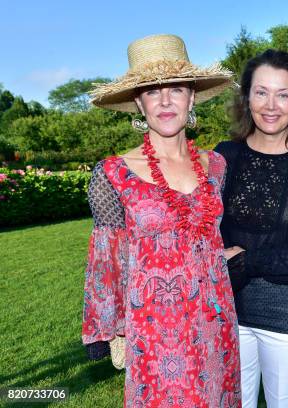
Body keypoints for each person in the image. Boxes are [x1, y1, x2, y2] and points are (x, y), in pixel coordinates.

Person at [83, 34, 240, 407]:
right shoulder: (113, 173)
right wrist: (108, 327)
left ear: (192, 97)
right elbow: (107, 259)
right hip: (154, 329)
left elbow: (208, 234)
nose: (166, 100)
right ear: (139, 102)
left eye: (176, 89)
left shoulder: (216, 166)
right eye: (153, 92)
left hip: (216, 320)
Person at [213, 49, 288, 408]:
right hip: (227, 312)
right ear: (246, 97)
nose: (271, 105)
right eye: (261, 92)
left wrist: (246, 260)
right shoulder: (223, 157)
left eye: (283, 94)